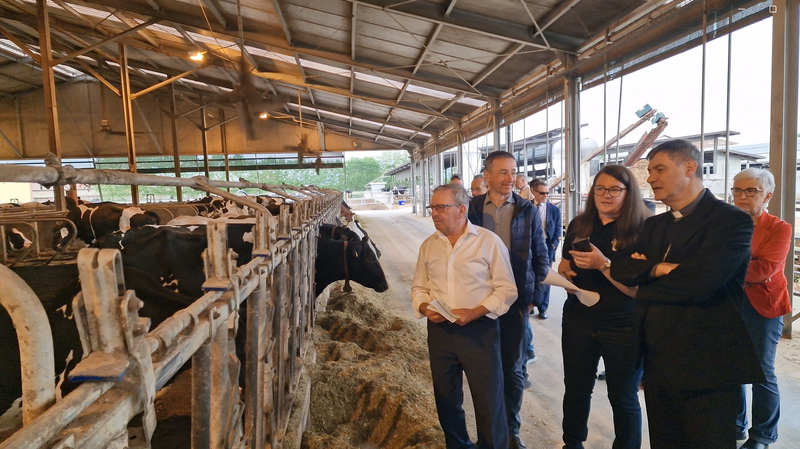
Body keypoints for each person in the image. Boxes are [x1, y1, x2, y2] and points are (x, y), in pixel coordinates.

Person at [611, 139, 764, 449]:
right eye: (650, 171)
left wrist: (646, 280)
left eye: (659, 169)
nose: (650, 178)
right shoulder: (654, 225)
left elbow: (700, 283)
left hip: (705, 364)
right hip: (657, 360)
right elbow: (621, 268)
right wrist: (659, 268)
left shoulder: (729, 220)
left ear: (690, 167)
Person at [412, 183, 518, 449]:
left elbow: (507, 290)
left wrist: (475, 311)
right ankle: (458, 444)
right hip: (440, 333)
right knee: (446, 400)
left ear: (461, 210)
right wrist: (425, 308)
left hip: (479, 331)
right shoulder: (429, 246)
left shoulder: (487, 242)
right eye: (432, 207)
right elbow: (419, 288)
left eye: (441, 207)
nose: (434, 213)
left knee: (487, 400)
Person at [557, 165, 650, 449]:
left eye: (614, 190)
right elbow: (564, 263)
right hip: (579, 319)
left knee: (623, 395)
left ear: (628, 193)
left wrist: (603, 265)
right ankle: (572, 442)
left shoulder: (643, 229)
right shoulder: (580, 224)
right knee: (576, 388)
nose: (606, 195)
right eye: (600, 188)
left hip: (623, 324)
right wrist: (565, 274)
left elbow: (638, 290)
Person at [468, 151, 549, 449]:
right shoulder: (472, 208)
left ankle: (512, 431)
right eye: (503, 172)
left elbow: (541, 255)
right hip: (479, 301)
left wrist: (534, 297)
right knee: (484, 370)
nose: (510, 178)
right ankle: (488, 434)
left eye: (513, 172)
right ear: (487, 175)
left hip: (516, 302)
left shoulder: (527, 209)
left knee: (513, 370)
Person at [731, 168, 792, 449]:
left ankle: (763, 435)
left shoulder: (779, 228)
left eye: (751, 191)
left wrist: (721, 267)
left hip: (764, 306)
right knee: (730, 367)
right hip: (729, 304)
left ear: (767, 196)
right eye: (737, 190)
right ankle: (735, 425)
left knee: (761, 372)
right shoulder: (726, 225)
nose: (742, 196)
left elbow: (764, 270)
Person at [530, 179, 562, 319]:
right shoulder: (526, 207)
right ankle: (530, 304)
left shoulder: (554, 210)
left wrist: (554, 245)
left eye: (547, 193)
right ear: (533, 192)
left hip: (547, 245)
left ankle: (543, 307)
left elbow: (558, 228)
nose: (545, 196)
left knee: (546, 276)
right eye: (542, 193)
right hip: (530, 246)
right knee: (530, 275)